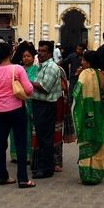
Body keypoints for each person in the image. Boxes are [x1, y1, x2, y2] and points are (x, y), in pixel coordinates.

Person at [0, 41, 36, 188]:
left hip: (0, 111)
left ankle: (2, 176)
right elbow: (29, 90)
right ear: (11, 54)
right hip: (17, 109)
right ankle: (23, 178)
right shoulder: (18, 69)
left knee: (1, 143)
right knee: (21, 143)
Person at [72, 50, 104, 184]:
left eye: (83, 60)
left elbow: (77, 92)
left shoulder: (85, 73)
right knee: (98, 140)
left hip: (87, 112)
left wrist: (77, 78)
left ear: (88, 62)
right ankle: (98, 172)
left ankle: (87, 174)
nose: (81, 62)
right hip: (100, 113)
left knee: (87, 140)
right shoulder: (103, 74)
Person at [29, 41, 62, 180]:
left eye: (43, 51)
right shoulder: (41, 66)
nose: (40, 53)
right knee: (42, 137)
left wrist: (27, 82)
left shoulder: (51, 67)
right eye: (39, 50)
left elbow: (44, 86)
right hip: (39, 104)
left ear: (49, 53)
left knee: (45, 138)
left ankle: (46, 168)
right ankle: (43, 166)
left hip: (46, 105)